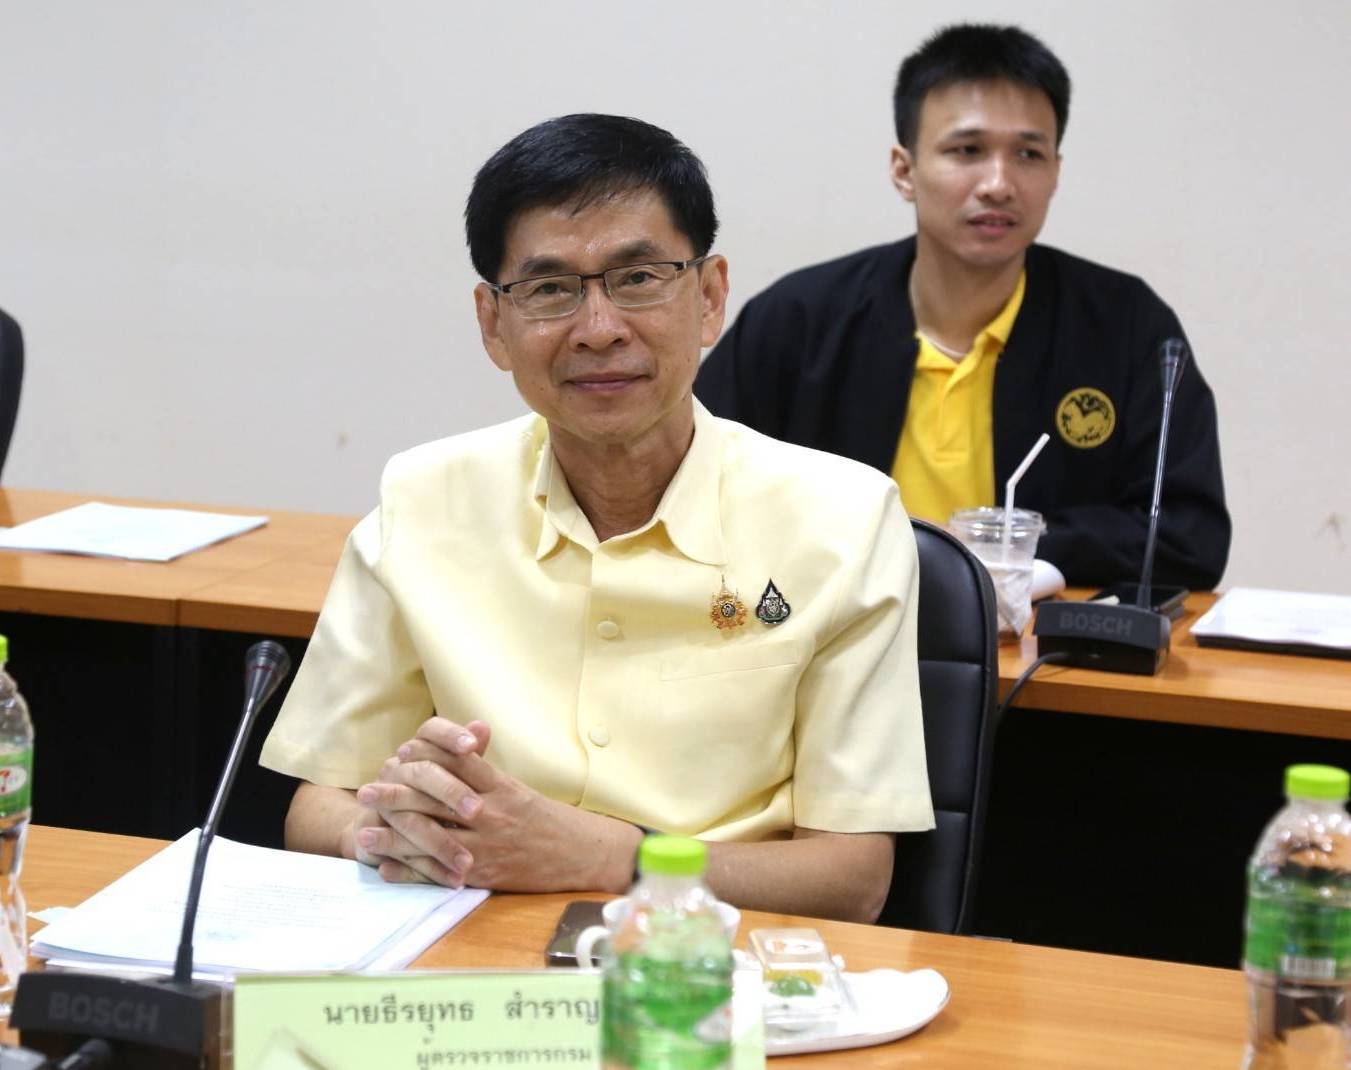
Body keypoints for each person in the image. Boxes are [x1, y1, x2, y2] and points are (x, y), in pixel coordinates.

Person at [259, 113, 933, 923]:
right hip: (469, 946)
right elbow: (318, 804)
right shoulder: (423, 499)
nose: (600, 329)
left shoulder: (843, 521)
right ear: (494, 325)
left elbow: (853, 879)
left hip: (707, 958)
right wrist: (399, 828)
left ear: (710, 298)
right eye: (550, 290)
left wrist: (606, 858)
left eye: (638, 278)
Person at [696, 23, 1231, 590]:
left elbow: (1189, 536)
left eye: (1028, 154)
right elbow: (699, 489)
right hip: (828, 626)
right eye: (967, 150)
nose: (999, 183)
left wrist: (1012, 552)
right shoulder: (798, 319)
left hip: (1037, 637)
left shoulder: (1126, 325)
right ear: (905, 170)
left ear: (1055, 172)